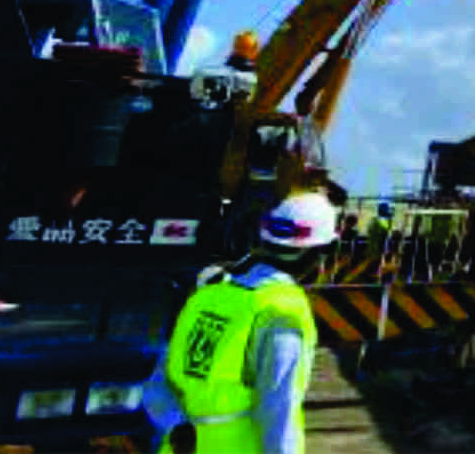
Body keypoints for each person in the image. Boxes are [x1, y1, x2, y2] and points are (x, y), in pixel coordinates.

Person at [145, 189, 340, 454]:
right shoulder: (282, 313)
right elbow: (278, 411)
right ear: (321, 252)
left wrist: (177, 425)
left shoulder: (206, 295)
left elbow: (157, 386)